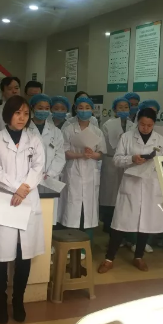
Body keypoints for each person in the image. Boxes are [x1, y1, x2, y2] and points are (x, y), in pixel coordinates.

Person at [0, 96, 45, 324]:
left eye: (26, 114)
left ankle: (18, 301)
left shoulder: (34, 140)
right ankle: (0, 301)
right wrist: (18, 188)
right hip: (3, 201)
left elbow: (38, 167)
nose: (22, 118)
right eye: (17, 113)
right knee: (0, 256)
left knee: (23, 256)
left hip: (25, 200)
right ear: (8, 115)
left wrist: (23, 189)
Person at [98, 107, 163, 274]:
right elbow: (116, 160)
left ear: (154, 124)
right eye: (143, 124)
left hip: (151, 185)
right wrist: (132, 159)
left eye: (149, 125)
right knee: (120, 223)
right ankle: (109, 259)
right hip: (131, 184)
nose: (145, 128)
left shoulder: (160, 140)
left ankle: (139, 257)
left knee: (145, 223)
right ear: (138, 122)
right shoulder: (127, 137)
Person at [59, 97, 106, 240]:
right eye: (81, 107)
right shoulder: (68, 130)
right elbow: (64, 152)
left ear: (92, 110)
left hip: (91, 171)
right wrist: (81, 155)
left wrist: (92, 154)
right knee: (72, 208)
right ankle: (71, 242)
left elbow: (101, 153)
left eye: (87, 108)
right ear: (75, 109)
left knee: (88, 210)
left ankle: (86, 245)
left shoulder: (97, 131)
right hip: (73, 171)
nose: (84, 111)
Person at [27, 94, 65, 225]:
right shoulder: (25, 129)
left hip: (49, 178)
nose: (43, 111)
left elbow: (60, 156)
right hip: (29, 178)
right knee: (30, 215)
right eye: (40, 107)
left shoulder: (56, 131)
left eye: (47, 108)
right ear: (32, 108)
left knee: (48, 215)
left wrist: (50, 173)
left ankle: (47, 238)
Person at [99, 97, 134, 233]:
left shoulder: (133, 125)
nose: (123, 110)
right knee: (110, 195)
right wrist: (119, 142)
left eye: (126, 107)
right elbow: (104, 145)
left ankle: (123, 228)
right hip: (111, 161)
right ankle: (108, 225)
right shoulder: (108, 125)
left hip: (128, 162)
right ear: (114, 109)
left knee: (125, 195)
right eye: (120, 107)